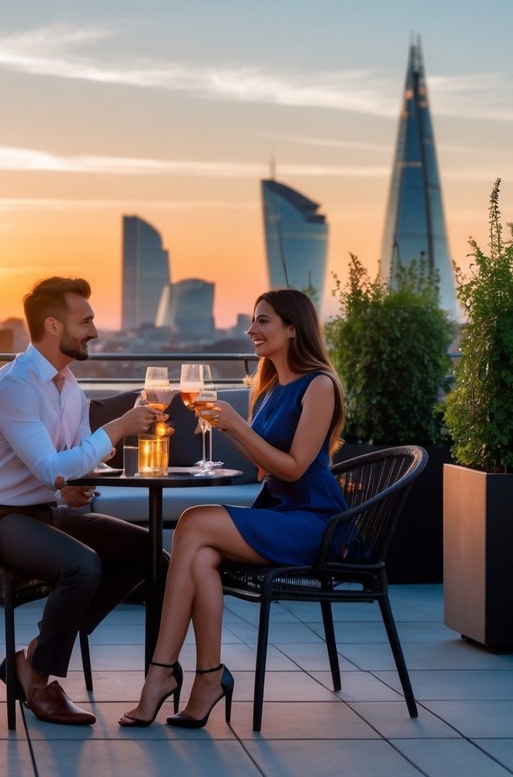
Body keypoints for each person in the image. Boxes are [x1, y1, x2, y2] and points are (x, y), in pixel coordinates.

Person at [118, 288, 348, 729]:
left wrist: (237, 424)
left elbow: (297, 469)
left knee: (192, 522)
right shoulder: (270, 387)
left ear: (293, 329)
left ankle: (159, 676)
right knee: (200, 556)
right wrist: (236, 429)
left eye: (263, 321)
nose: (251, 329)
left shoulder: (319, 385)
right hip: (279, 511)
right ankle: (207, 679)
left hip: (313, 522)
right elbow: (265, 468)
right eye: (253, 320)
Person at [0, 276, 165, 726]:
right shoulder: (15, 385)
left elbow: (65, 468)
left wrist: (73, 487)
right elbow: (52, 468)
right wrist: (116, 429)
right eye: (86, 320)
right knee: (83, 565)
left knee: (151, 554)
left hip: (42, 511)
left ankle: (33, 655)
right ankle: (39, 681)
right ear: (53, 325)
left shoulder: (67, 385)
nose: (94, 330)